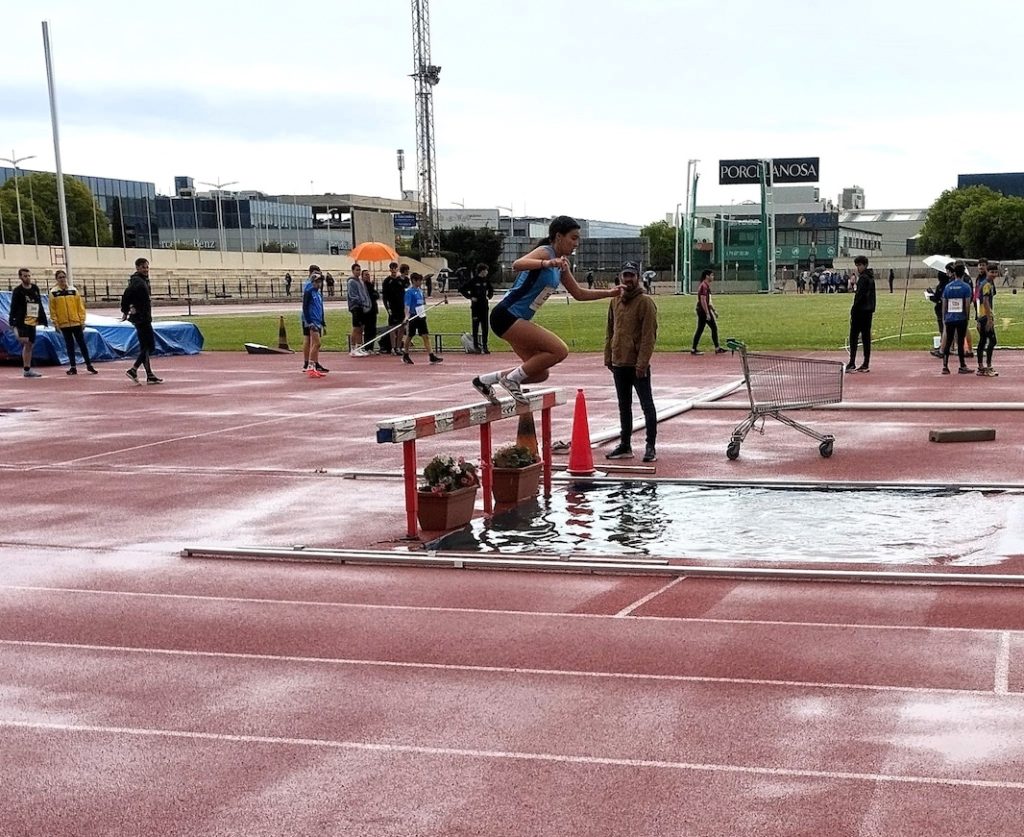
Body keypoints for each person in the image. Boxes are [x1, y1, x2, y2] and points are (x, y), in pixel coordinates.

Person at [472, 215, 621, 405]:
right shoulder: (545, 252)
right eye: (573, 238)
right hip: (506, 315)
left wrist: (611, 293)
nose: (576, 243)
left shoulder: (562, 264)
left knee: (539, 373)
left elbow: (579, 294)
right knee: (559, 350)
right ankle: (510, 380)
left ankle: (484, 381)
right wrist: (547, 263)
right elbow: (517, 264)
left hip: (517, 320)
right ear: (558, 237)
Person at [604, 261, 659, 463]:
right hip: (619, 362)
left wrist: (642, 363)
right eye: (625, 275)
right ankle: (625, 445)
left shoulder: (645, 302)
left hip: (637, 364)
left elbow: (648, 336)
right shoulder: (615, 300)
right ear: (620, 276)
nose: (628, 279)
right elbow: (610, 330)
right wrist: (608, 356)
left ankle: (650, 446)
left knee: (647, 405)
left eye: (632, 276)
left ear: (638, 277)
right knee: (623, 405)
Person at [120, 258, 162, 384]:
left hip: (142, 316)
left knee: (145, 347)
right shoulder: (137, 282)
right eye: (143, 267)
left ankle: (149, 375)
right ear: (137, 268)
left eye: (147, 267)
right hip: (141, 318)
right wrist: (125, 310)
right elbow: (126, 295)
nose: (146, 269)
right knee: (150, 346)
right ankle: (133, 369)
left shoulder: (141, 280)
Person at [49, 269, 97, 375]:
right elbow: (53, 310)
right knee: (69, 345)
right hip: (64, 323)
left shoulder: (73, 290)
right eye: (60, 277)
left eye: (63, 277)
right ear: (56, 279)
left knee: (82, 344)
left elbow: (80, 307)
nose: (62, 279)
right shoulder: (53, 292)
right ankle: (73, 367)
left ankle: (89, 365)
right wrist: (55, 323)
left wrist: (82, 320)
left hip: (76, 322)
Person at [9, 267, 47, 378]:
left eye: (29, 275)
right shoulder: (18, 291)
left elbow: (39, 303)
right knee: (26, 342)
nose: (28, 278)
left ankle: (27, 369)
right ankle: (26, 368)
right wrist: (12, 321)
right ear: (20, 277)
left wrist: (43, 319)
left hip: (32, 319)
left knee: (30, 344)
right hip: (22, 320)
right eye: (25, 276)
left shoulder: (35, 288)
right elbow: (13, 307)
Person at [401, 273, 442, 365]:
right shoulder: (409, 292)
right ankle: (406, 354)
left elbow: (422, 303)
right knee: (410, 336)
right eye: (419, 280)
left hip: (421, 316)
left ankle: (431, 355)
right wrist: (406, 316)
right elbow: (407, 305)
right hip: (413, 316)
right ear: (414, 281)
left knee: (425, 335)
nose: (420, 282)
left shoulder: (420, 291)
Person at [941, 261, 973, 375]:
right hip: (961, 318)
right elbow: (967, 304)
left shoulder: (948, 287)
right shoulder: (966, 287)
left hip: (950, 318)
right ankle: (962, 365)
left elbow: (944, 303)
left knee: (949, 341)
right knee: (960, 342)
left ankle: (945, 366)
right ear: (964, 273)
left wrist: (944, 316)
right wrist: (967, 317)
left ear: (954, 273)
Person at [846, 255, 876, 373]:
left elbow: (859, 296)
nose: (858, 268)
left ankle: (852, 362)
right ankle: (865, 363)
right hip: (868, 311)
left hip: (861, 311)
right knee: (865, 337)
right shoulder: (870, 277)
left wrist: (854, 309)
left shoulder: (864, 278)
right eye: (857, 265)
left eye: (859, 265)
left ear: (864, 265)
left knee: (854, 336)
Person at [460, 262, 494, 353]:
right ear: (482, 271)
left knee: (485, 327)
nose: (487, 272)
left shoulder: (486, 281)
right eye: (486, 270)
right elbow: (462, 289)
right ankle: (475, 346)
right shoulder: (473, 281)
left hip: (484, 307)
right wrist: (470, 297)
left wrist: (489, 296)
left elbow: (491, 289)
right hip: (475, 307)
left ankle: (485, 346)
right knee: (475, 327)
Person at [691, 269, 726, 355]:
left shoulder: (706, 286)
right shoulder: (704, 286)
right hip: (703, 310)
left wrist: (713, 311)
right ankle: (717, 348)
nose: (713, 277)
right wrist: (707, 313)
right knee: (713, 328)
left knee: (700, 329)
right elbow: (703, 300)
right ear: (707, 276)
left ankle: (694, 348)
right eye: (712, 275)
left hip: (703, 310)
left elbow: (708, 301)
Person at [301, 268, 328, 378]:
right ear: (312, 282)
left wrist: (323, 321)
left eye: (320, 282)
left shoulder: (318, 294)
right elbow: (305, 308)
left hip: (318, 321)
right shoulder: (309, 293)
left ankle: (313, 366)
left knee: (316, 344)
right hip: (312, 321)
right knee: (316, 343)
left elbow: (320, 308)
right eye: (317, 282)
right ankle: (311, 366)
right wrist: (309, 321)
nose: (319, 284)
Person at [975, 262, 999, 377]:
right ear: (987, 272)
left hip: (982, 316)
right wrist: (989, 319)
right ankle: (988, 366)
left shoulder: (988, 283)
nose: (994, 274)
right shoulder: (987, 285)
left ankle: (981, 367)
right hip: (985, 316)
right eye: (991, 272)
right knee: (992, 341)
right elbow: (985, 301)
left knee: (983, 341)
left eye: (995, 272)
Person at [380, 261, 407, 355]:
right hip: (392, 307)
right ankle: (392, 347)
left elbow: (405, 294)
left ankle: (398, 347)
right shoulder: (387, 281)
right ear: (390, 269)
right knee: (392, 328)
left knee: (401, 327)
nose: (394, 270)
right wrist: (388, 309)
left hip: (401, 307)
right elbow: (384, 297)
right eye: (392, 268)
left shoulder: (401, 280)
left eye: (395, 268)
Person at [346, 263, 371, 357]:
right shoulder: (351, 282)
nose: (358, 272)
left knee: (361, 328)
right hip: (356, 306)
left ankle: (359, 347)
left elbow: (364, 294)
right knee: (356, 327)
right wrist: (361, 301)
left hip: (362, 306)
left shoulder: (360, 282)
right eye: (356, 270)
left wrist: (366, 303)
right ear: (353, 271)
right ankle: (353, 348)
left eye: (359, 270)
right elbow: (353, 295)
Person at [360, 268, 380, 353]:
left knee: (373, 330)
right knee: (368, 330)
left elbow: (377, 295)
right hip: (367, 311)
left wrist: (372, 288)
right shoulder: (362, 286)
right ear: (362, 276)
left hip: (373, 310)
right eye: (366, 275)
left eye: (368, 275)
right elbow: (368, 297)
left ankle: (371, 347)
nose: (368, 276)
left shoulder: (370, 285)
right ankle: (367, 347)